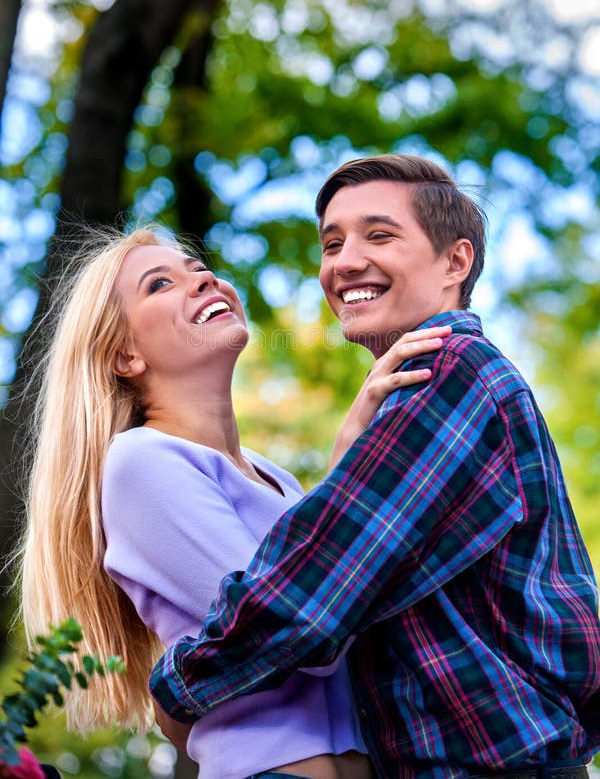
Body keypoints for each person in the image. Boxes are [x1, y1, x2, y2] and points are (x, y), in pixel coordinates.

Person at [149, 155, 600, 779]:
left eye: (379, 235)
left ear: (456, 263)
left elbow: (310, 594)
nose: (344, 262)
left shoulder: (450, 372)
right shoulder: (416, 393)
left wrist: (177, 685)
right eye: (332, 243)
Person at [19, 224, 449, 779]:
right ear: (124, 355)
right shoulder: (141, 463)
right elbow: (294, 627)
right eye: (159, 285)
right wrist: (348, 468)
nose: (204, 281)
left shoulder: (278, 479)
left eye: (199, 270)